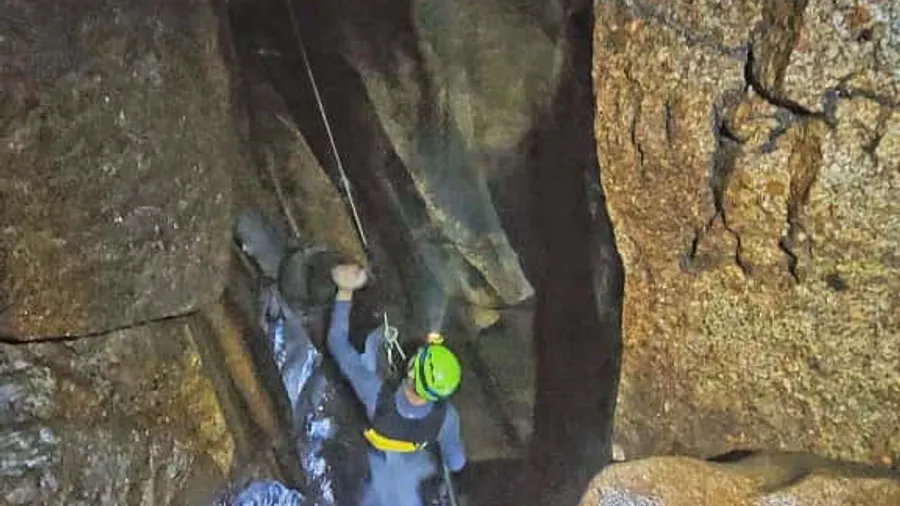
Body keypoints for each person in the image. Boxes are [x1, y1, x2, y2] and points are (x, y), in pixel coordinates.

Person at [327, 263, 466, 506]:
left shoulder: (375, 394)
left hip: (371, 465)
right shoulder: (446, 417)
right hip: (407, 476)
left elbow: (337, 343)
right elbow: (456, 462)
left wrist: (345, 291)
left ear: (411, 369)